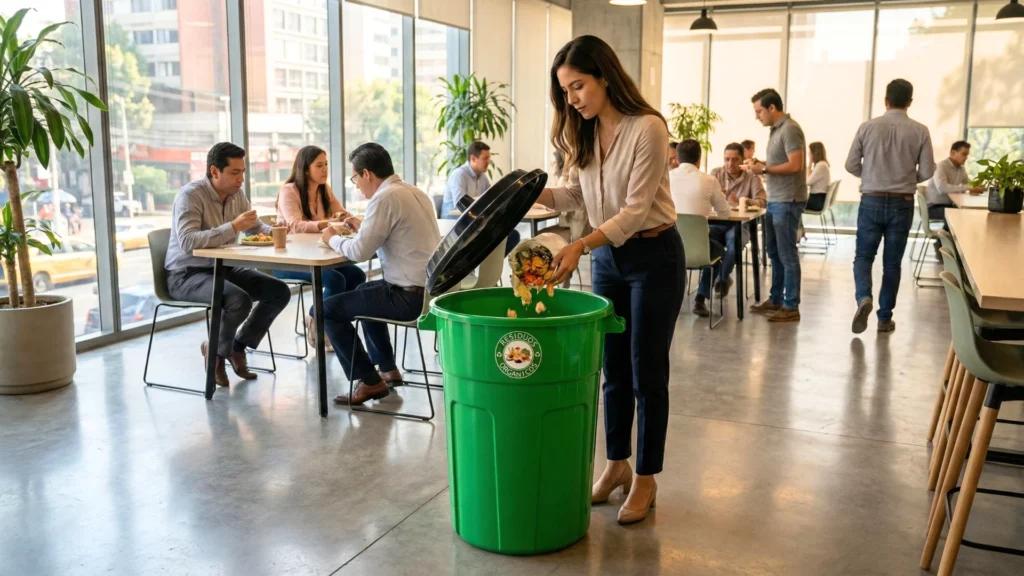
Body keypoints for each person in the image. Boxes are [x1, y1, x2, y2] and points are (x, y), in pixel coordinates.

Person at [534, 35, 685, 526]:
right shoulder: (584, 134)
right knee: (612, 370)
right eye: (565, 92)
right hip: (608, 261)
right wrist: (528, 192)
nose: (572, 99)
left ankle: (646, 477)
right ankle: (616, 464)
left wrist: (580, 245)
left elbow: (634, 211)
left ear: (604, 76)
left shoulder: (649, 129)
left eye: (578, 86)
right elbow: (576, 195)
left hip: (653, 255)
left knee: (647, 371)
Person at [321, 143, 440, 407]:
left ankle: (370, 381)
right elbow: (398, 236)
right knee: (364, 291)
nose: (357, 185)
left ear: (367, 174)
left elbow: (359, 252)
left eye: (355, 178)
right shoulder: (414, 192)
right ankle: (388, 370)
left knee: (324, 310)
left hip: (409, 299)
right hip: (428, 292)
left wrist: (331, 238)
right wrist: (365, 227)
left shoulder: (384, 198)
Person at [164, 142, 292, 387]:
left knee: (279, 292)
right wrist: (233, 227)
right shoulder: (190, 195)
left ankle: (236, 347)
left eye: (243, 172)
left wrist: (276, 230)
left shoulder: (237, 195)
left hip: (225, 267)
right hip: (186, 274)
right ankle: (215, 356)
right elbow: (187, 241)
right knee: (238, 300)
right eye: (235, 172)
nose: (241, 178)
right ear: (214, 172)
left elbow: (255, 228)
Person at [846, 78, 935, 335]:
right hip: (902, 203)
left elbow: (851, 164)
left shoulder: (867, 127)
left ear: (885, 100)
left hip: (871, 199)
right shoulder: (920, 130)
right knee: (892, 264)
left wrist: (872, 175)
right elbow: (928, 170)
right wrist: (905, 178)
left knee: (863, 257)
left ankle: (864, 297)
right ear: (910, 102)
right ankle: (884, 319)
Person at [274, 145, 367, 350]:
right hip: (288, 260)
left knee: (357, 276)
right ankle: (322, 325)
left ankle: (318, 318)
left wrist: (350, 219)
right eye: (319, 165)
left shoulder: (324, 189)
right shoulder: (289, 191)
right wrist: (327, 224)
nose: (325, 169)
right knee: (334, 279)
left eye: (326, 164)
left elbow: (341, 213)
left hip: (318, 257)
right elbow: (295, 225)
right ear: (306, 169)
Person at [742, 88, 807, 323]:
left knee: (787, 254)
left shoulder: (790, 129)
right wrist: (762, 164)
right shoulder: (776, 131)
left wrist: (765, 169)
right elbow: (783, 162)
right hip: (776, 199)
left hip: (788, 200)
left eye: (759, 111)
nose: (757, 116)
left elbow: (796, 165)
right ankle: (776, 298)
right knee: (774, 252)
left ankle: (791, 306)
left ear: (772, 108)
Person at [670, 139, 730, 317]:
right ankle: (700, 299)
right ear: (699, 159)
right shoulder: (709, 181)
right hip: (699, 251)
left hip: (670, 248)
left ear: (677, 159)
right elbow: (725, 215)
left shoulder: (666, 177)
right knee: (719, 250)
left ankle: (672, 301)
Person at [441, 141, 519, 255]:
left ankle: (487, 264)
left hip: (473, 222)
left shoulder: (482, 177)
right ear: (473, 158)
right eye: (485, 158)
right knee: (495, 236)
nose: (488, 162)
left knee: (512, 235)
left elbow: (492, 199)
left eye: (489, 158)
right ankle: (481, 263)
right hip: (456, 224)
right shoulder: (459, 175)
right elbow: (461, 204)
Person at [710, 142, 767, 298]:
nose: (730, 164)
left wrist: (746, 200)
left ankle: (721, 278)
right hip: (716, 223)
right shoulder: (715, 174)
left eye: (735, 159)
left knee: (735, 241)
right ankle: (717, 283)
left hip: (740, 225)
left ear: (743, 159)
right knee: (705, 241)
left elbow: (762, 202)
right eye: (727, 159)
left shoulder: (752, 179)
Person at [925, 141, 984, 252]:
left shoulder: (961, 169)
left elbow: (968, 184)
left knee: (963, 215)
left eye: (967, 155)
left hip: (950, 206)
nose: (966, 157)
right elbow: (943, 188)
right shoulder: (941, 166)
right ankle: (943, 247)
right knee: (955, 216)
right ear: (953, 153)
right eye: (963, 154)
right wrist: (968, 188)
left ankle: (955, 250)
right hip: (934, 207)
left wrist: (977, 187)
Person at [798, 142, 831, 241]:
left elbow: (807, 182)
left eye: (809, 152)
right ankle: (800, 233)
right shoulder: (822, 165)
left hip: (817, 201)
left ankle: (798, 235)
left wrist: (809, 164)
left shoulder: (821, 166)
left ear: (814, 153)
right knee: (795, 204)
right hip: (818, 199)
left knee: (794, 206)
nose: (808, 154)